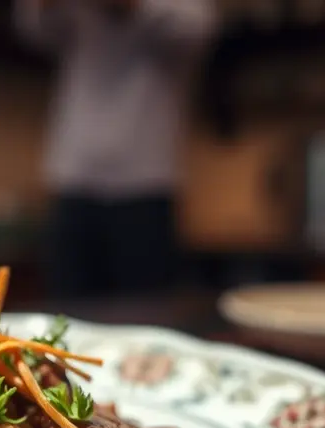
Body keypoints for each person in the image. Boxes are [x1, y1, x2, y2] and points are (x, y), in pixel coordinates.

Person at [15, 0, 217, 298]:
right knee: (65, 315)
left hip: (145, 185)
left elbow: (197, 29)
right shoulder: (76, 16)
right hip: (73, 181)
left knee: (145, 315)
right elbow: (33, 29)